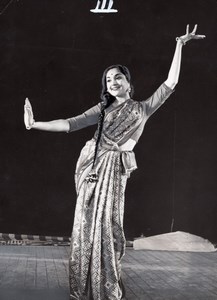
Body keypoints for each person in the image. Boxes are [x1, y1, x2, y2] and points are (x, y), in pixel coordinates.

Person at [24, 25, 205, 300]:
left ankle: (106, 286)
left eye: (118, 78)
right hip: (93, 170)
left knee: (109, 227)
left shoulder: (142, 108)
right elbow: (69, 124)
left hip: (116, 173)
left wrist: (179, 45)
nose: (112, 82)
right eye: (108, 80)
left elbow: (171, 82)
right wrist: (34, 124)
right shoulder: (101, 110)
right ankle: (81, 287)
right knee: (85, 227)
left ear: (129, 84)